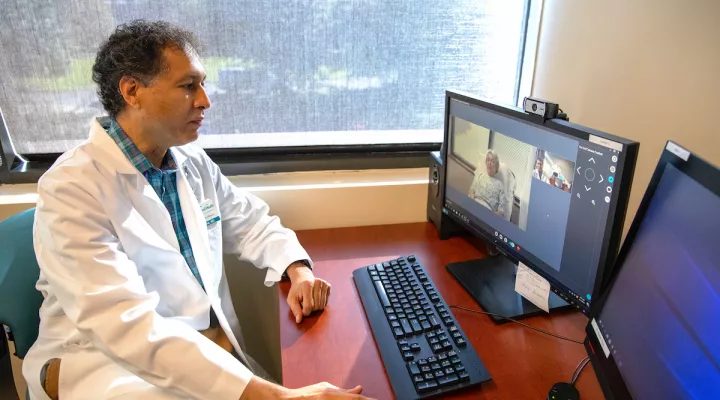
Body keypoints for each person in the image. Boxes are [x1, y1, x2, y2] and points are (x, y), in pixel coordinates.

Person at [23, 20, 372, 400]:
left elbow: (250, 221)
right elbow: (124, 326)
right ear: (132, 91)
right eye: (189, 86)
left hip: (188, 346)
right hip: (101, 363)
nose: (205, 100)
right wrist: (277, 397)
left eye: (202, 84)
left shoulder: (190, 160)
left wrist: (298, 270)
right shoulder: (71, 188)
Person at [468, 150, 508, 217]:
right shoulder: (479, 176)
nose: (489, 163)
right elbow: (471, 192)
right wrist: (472, 205)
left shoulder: (500, 185)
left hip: (488, 213)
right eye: (488, 160)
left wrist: (490, 217)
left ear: (496, 165)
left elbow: (501, 211)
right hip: (475, 205)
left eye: (492, 161)